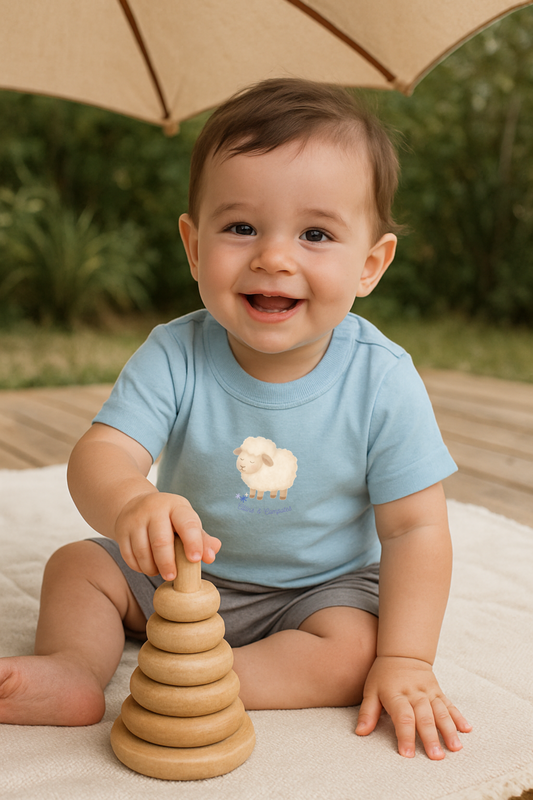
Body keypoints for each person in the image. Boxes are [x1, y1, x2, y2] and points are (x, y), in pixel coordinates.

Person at [0, 78, 471, 759]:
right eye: (241, 227)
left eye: (315, 233)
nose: (272, 257)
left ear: (370, 264)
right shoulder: (175, 351)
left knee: (357, 649)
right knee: (77, 568)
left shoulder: (382, 377)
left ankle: (213, 680)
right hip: (182, 575)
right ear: (194, 246)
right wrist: (133, 501)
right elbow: (101, 453)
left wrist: (406, 659)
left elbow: (415, 528)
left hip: (317, 592)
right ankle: (75, 671)